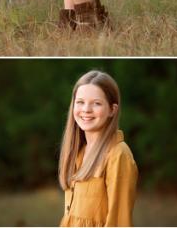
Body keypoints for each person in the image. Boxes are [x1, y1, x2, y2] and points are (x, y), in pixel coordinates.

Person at [58, 70, 137, 227]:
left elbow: (119, 222)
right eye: (80, 102)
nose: (86, 109)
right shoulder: (78, 152)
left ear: (112, 110)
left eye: (96, 103)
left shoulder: (118, 154)